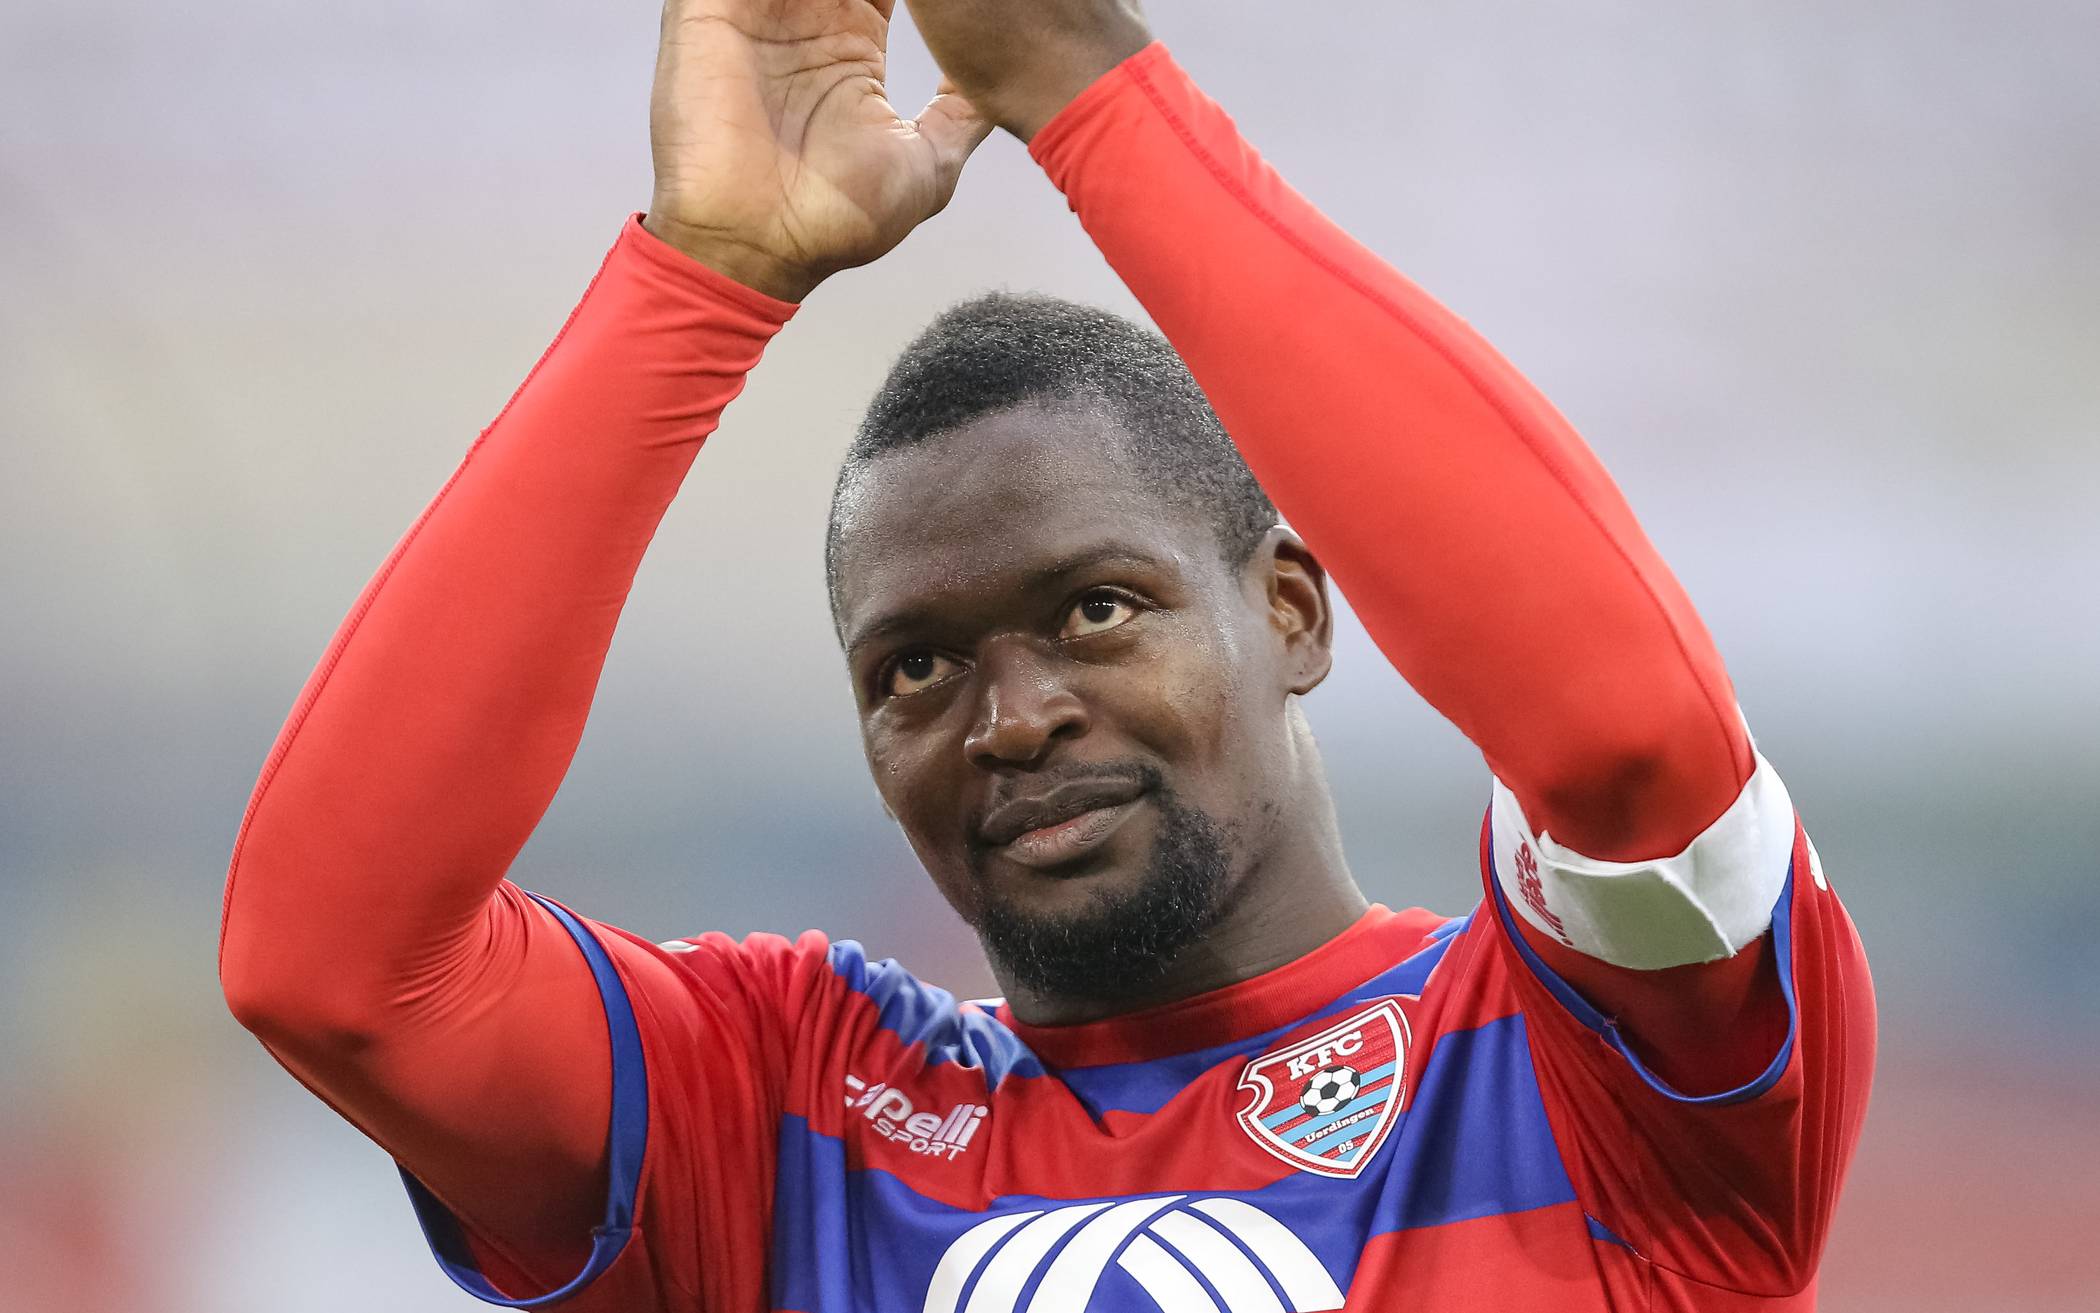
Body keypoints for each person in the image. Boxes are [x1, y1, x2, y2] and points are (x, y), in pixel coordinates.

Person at [217, 0, 1876, 1307]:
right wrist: (697, 283)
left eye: (1095, 609)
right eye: (915, 670)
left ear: (1292, 611)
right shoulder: (786, 1117)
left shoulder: (1585, 1063)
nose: (1010, 719)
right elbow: (331, 965)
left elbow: (1628, 738)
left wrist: (1082, 84)